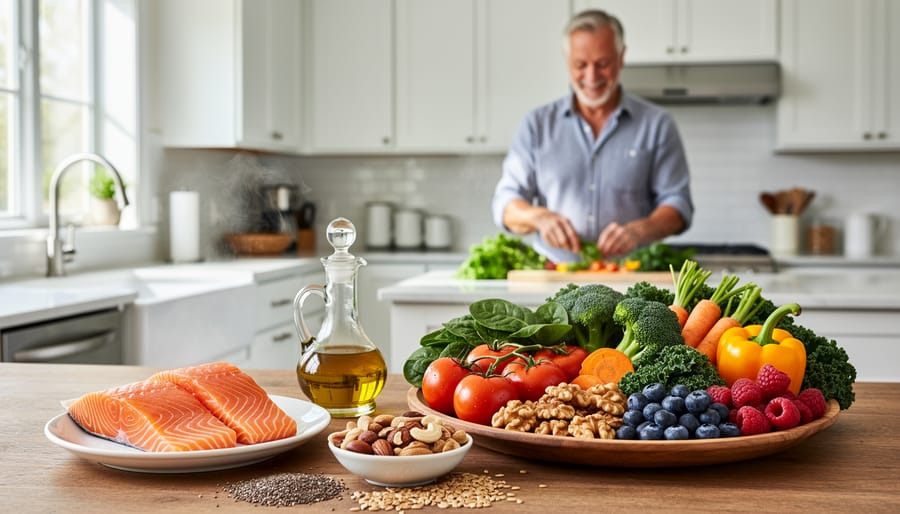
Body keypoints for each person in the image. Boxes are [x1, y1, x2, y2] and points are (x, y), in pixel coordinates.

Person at [491, 9, 693, 264]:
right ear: (567, 61)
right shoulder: (536, 125)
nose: (591, 76)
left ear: (621, 58)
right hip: (555, 276)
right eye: (580, 65)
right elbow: (506, 204)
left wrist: (640, 229)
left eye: (602, 64)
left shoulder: (657, 125)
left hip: (630, 281)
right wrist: (539, 218)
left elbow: (678, 204)